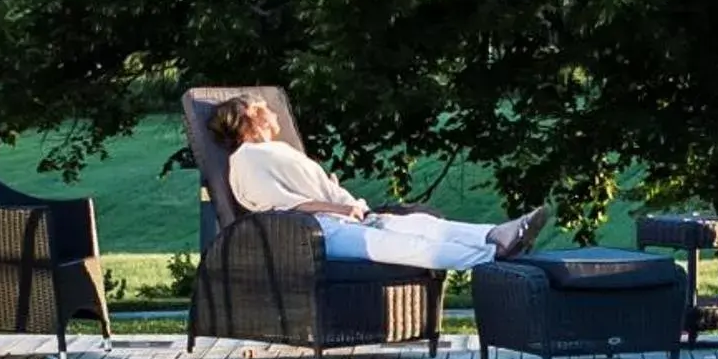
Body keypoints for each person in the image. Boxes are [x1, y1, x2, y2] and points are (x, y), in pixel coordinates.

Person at [207, 95, 548, 270]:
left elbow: (310, 187)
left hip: (341, 218)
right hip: (314, 234)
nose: (275, 113)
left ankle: (496, 234)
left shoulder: (275, 149)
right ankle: (493, 256)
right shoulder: (246, 160)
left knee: (421, 224)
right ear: (251, 116)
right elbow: (281, 205)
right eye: (266, 108)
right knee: (408, 246)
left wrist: (347, 202)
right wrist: (338, 207)